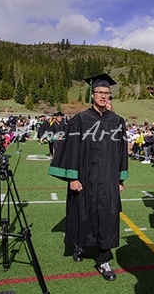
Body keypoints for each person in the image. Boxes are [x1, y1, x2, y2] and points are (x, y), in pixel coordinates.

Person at [48, 73, 128, 281]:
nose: (103, 96)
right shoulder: (81, 120)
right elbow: (71, 149)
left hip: (109, 180)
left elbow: (121, 152)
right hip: (85, 177)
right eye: (99, 92)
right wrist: (73, 177)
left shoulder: (117, 122)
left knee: (108, 216)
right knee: (82, 214)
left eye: (106, 93)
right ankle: (80, 246)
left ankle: (104, 260)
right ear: (92, 95)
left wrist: (121, 180)